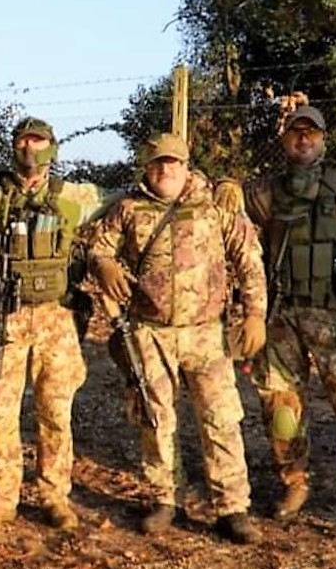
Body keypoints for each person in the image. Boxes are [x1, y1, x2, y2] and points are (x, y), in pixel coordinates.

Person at [89, 132, 267, 544]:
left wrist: (255, 313)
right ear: (146, 167)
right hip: (150, 332)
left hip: (207, 333)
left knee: (221, 417)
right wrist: (104, 266)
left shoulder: (214, 207)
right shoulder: (128, 209)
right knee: (156, 417)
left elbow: (249, 259)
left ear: (186, 166)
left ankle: (232, 506)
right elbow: (98, 248)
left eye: (172, 162)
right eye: (157, 163)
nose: (164, 169)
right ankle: (164, 497)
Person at [0, 117, 111, 532]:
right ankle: (2, 497)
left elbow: (123, 202)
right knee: (0, 414)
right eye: (23, 141)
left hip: (57, 319)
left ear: (51, 148)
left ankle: (54, 496)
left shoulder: (72, 197)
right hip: (8, 317)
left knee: (56, 412)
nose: (30, 149)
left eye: (37, 141)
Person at [241, 104, 336, 520]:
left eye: (311, 132)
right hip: (282, 314)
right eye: (295, 132)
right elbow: (221, 208)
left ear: (323, 138)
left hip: (335, 315)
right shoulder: (266, 192)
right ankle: (294, 480)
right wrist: (226, 187)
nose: (303, 139)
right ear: (284, 138)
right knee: (280, 405)